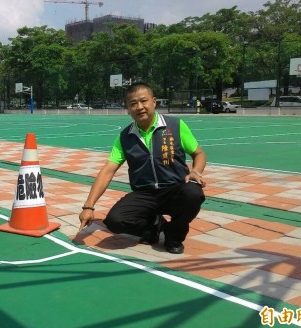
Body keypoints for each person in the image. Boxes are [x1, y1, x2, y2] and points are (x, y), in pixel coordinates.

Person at [78, 82, 206, 254]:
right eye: (133, 104)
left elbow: (198, 153)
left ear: (154, 102)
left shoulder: (175, 126)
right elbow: (108, 169)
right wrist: (89, 206)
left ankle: (174, 235)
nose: (140, 107)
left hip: (175, 188)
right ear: (128, 109)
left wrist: (195, 171)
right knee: (116, 221)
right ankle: (153, 227)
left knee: (193, 193)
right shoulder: (125, 136)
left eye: (144, 101)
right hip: (144, 193)